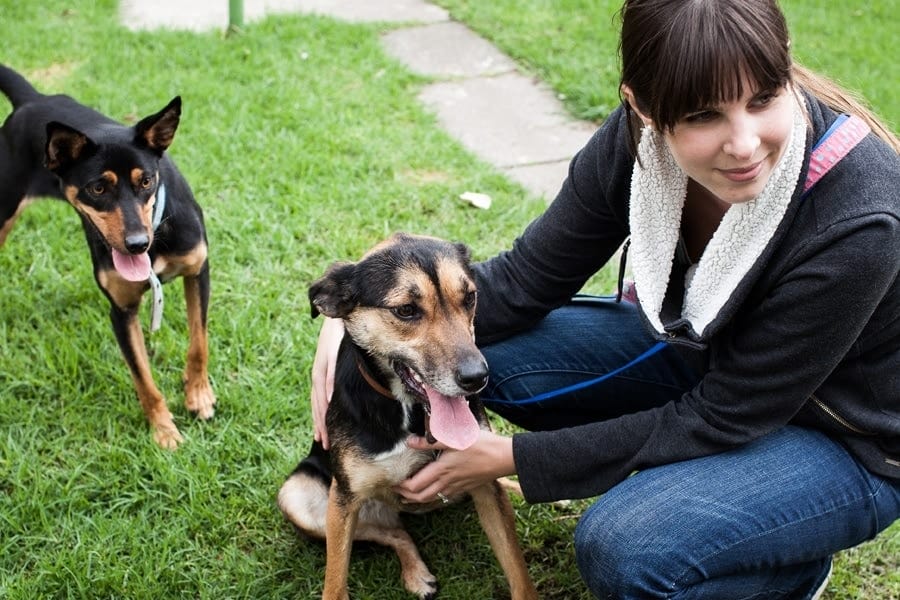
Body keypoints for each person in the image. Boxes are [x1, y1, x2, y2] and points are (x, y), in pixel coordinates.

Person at [310, 0, 900, 597]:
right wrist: (354, 318)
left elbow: (725, 414)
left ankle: (784, 567)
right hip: (711, 366)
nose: (744, 144)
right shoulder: (635, 146)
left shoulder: (860, 220)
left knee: (624, 545)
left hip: (847, 440)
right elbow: (522, 282)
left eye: (764, 98)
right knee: (486, 363)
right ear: (643, 108)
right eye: (703, 115)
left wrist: (513, 457)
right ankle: (720, 510)